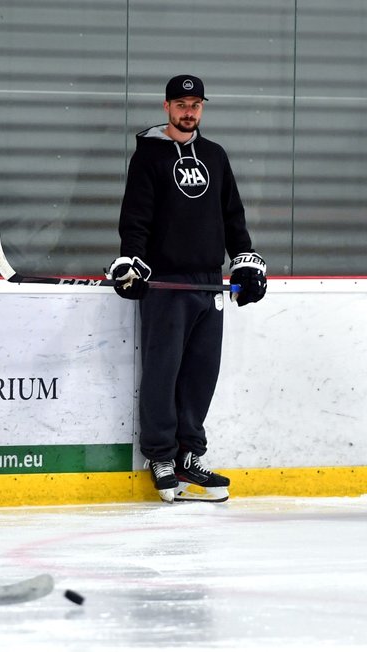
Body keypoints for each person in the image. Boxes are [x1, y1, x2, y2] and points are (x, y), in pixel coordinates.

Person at [107, 75, 267, 503]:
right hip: (165, 281)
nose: (188, 111)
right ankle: (161, 456)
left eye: (195, 103)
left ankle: (189, 455)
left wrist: (246, 260)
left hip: (209, 282)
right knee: (164, 371)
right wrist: (131, 260)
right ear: (166, 107)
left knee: (200, 373)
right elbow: (136, 218)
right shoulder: (148, 159)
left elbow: (233, 215)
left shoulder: (215, 155)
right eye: (180, 103)